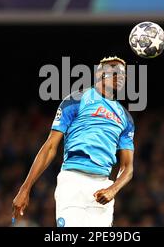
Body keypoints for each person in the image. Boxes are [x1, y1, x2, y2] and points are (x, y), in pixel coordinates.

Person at [12, 56, 135, 227]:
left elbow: (127, 167)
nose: (120, 76)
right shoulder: (76, 99)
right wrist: (25, 188)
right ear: (99, 73)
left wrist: (113, 189)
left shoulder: (126, 118)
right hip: (73, 181)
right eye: (114, 71)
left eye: (123, 74)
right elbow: (50, 147)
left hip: (103, 187)